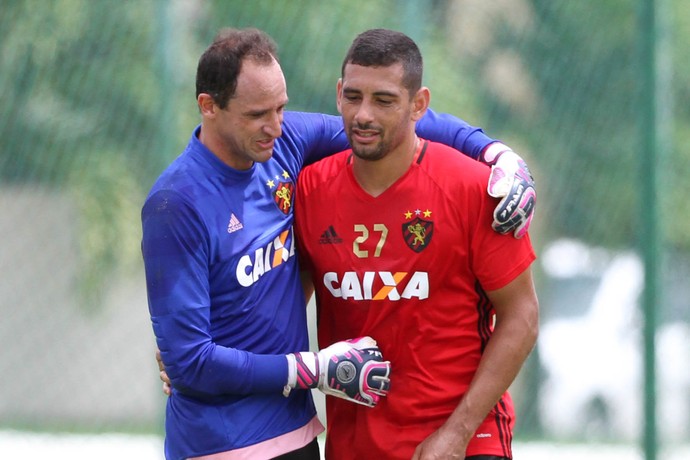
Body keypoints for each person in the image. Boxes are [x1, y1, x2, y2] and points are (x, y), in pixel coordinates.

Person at [143, 27, 536, 460]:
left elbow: (522, 315)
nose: (275, 126)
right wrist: (212, 360)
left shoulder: (287, 145)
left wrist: (500, 155)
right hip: (242, 443)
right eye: (258, 114)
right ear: (208, 106)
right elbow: (208, 347)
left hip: (335, 435)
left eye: (281, 109)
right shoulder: (185, 201)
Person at [294, 29, 540, 460]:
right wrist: (201, 351)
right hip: (356, 444)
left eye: (384, 100)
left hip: (466, 439)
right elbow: (283, 306)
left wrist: (458, 432)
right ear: (337, 94)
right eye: (353, 97)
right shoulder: (310, 191)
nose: (363, 114)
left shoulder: (476, 189)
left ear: (419, 105)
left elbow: (522, 315)